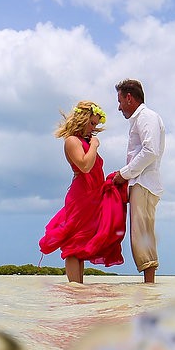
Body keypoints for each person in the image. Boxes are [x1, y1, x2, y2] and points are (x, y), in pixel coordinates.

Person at [39, 101, 127, 283]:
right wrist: (94, 145)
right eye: (92, 123)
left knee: (81, 244)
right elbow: (85, 166)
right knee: (73, 242)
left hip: (94, 196)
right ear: (82, 119)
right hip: (80, 197)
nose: (94, 128)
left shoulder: (84, 141)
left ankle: (79, 291)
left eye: (96, 124)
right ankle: (74, 288)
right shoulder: (72, 141)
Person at [112, 79, 165, 284]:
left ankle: (149, 287)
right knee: (141, 234)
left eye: (119, 101)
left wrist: (124, 174)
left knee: (141, 234)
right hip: (143, 182)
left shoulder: (146, 116)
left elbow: (150, 151)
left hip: (143, 182)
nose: (118, 107)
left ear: (129, 98)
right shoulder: (143, 118)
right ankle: (148, 289)